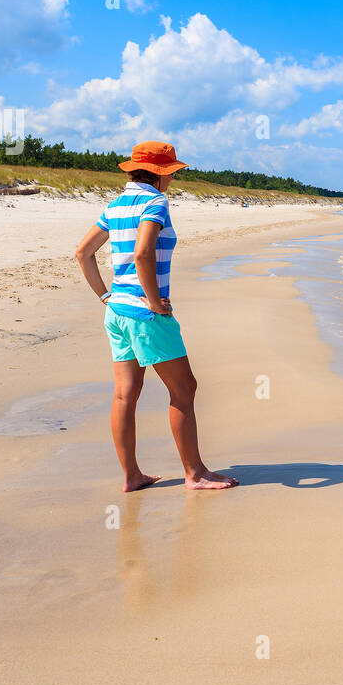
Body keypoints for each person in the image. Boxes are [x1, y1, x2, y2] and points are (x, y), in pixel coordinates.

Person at [73, 140, 238, 492]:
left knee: (124, 395)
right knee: (184, 389)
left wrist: (105, 295)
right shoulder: (155, 202)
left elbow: (83, 253)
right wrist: (153, 301)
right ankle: (195, 474)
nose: (173, 181)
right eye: (172, 174)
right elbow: (143, 253)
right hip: (145, 314)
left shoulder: (115, 206)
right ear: (161, 174)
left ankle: (132, 476)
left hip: (117, 312)